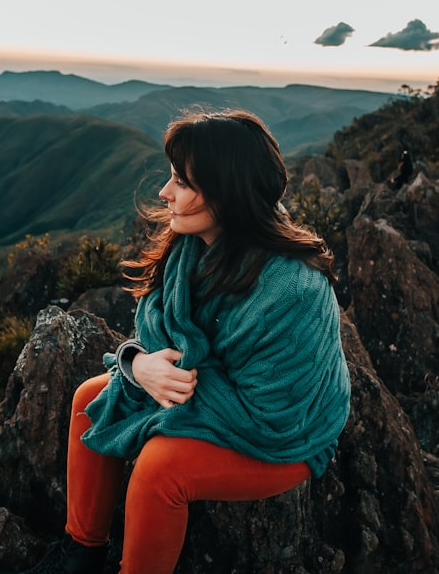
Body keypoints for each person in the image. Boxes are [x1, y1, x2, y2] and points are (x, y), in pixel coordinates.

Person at [22, 108, 351, 574]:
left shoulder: (293, 291)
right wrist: (137, 366)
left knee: (160, 470)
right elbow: (160, 338)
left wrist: (165, 385)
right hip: (219, 400)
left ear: (226, 192)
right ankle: (80, 553)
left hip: (287, 437)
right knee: (88, 399)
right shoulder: (193, 249)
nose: (165, 192)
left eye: (182, 182)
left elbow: (275, 414)